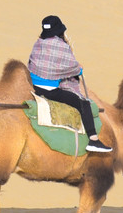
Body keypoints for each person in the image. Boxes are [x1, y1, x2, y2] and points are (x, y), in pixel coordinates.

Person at [27, 16, 111, 154]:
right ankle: (94, 140)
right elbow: (73, 68)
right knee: (83, 103)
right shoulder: (62, 46)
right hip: (51, 91)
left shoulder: (38, 43)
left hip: (34, 88)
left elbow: (32, 64)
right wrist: (79, 68)